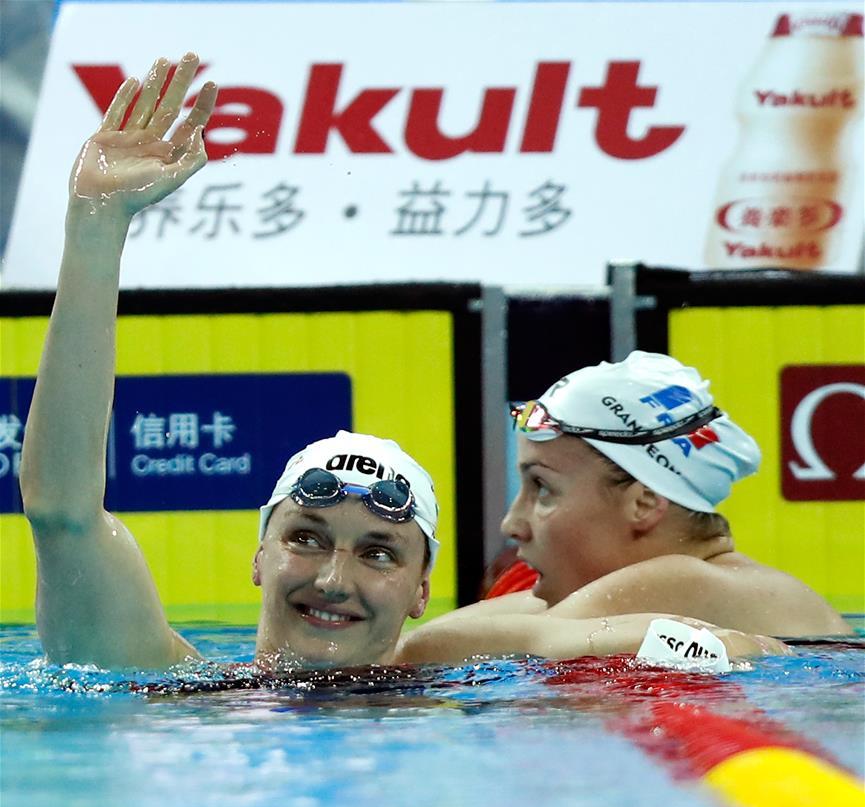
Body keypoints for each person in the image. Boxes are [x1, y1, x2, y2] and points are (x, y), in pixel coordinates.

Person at [20, 54, 787, 672]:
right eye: (306, 537)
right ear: (259, 556)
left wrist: (723, 648)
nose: (333, 580)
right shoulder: (178, 689)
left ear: (422, 590)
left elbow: (665, 640)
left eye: (377, 553)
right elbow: (62, 513)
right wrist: (96, 225)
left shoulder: (454, 671)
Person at [398, 353, 849, 663]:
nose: (512, 524)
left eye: (543, 488)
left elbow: (419, 651)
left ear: (644, 503)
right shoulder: (721, 583)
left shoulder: (686, 581)